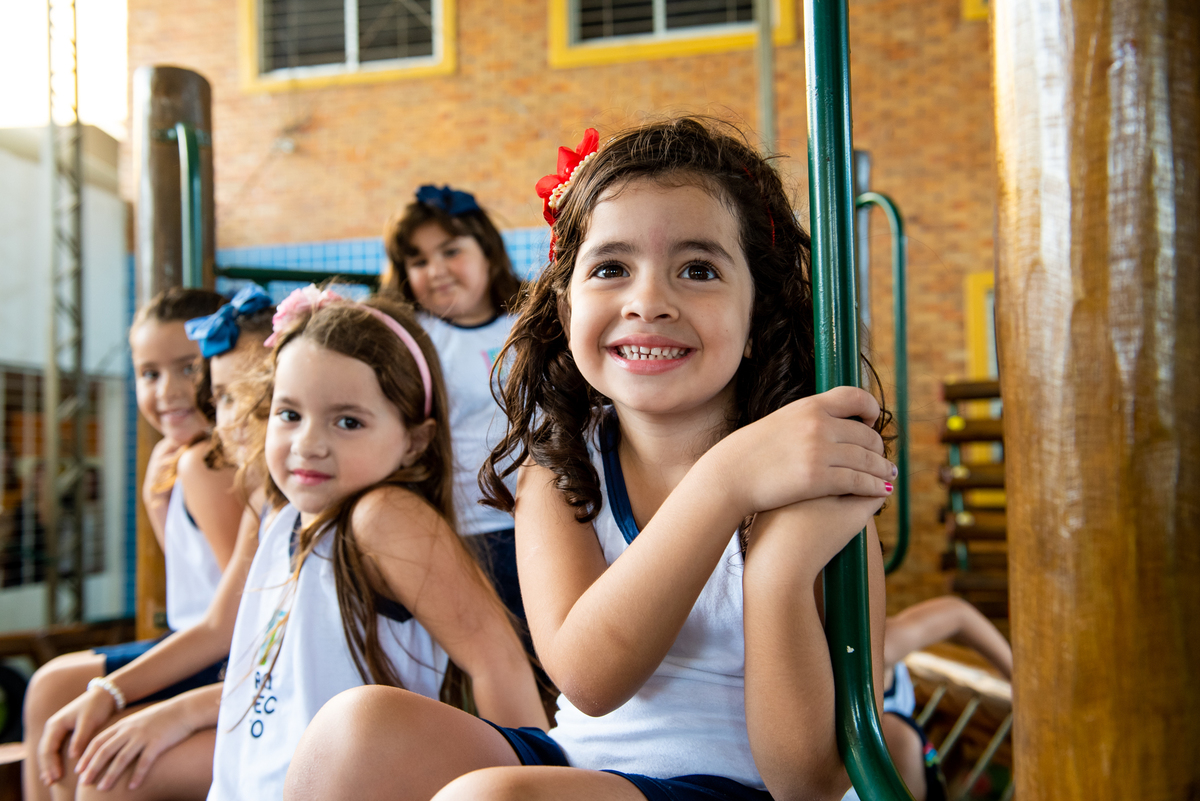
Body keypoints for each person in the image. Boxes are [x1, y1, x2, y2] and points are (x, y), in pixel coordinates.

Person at [283, 117, 897, 801]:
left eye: (698, 269)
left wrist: (778, 572)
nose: (648, 301)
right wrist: (724, 482)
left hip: (737, 786)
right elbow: (589, 675)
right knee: (355, 729)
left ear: (759, 316)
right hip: (586, 762)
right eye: (611, 267)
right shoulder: (564, 469)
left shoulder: (806, 488)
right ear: (568, 303)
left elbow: (807, 782)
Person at [82, 286, 545, 801]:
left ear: (414, 439)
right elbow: (280, 685)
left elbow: (497, 661)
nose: (309, 443)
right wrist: (171, 712)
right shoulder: (286, 521)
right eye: (289, 414)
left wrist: (532, 786)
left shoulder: (381, 517)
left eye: (348, 421)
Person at [32, 285, 277, 801]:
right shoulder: (182, 460)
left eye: (188, 368)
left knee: (75, 720)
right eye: (149, 374)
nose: (167, 390)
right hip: (213, 644)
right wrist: (157, 505)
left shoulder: (205, 463)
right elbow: (210, 579)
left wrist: (117, 690)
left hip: (225, 656)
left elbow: (231, 613)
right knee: (52, 687)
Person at [382, 185, 527, 622]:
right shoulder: (412, 338)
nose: (437, 269)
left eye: (450, 251)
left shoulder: (534, 319)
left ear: (486, 250)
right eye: (419, 260)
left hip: (550, 517)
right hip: (467, 529)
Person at [843, 596, 1014, 801]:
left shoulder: (873, 645)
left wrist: (1021, 685)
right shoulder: (871, 651)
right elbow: (958, 614)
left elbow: (957, 614)